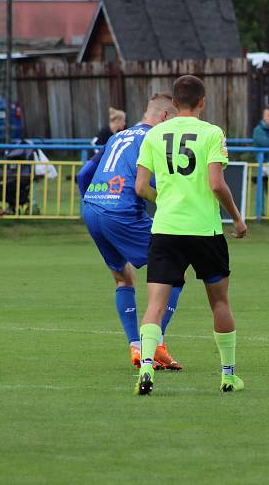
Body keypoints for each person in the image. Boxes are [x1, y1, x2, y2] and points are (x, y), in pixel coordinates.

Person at [133, 75, 247, 396]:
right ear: (202, 102)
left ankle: (145, 367)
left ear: (173, 102)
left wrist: (166, 201)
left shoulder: (154, 134)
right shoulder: (212, 132)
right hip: (205, 230)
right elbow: (215, 183)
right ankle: (227, 375)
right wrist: (237, 219)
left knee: (155, 303)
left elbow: (140, 187)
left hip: (166, 229)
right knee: (220, 302)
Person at [76, 94, 183, 370]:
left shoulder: (118, 136)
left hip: (92, 207)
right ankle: (156, 343)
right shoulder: (154, 140)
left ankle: (136, 346)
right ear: (164, 118)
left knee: (123, 279)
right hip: (121, 212)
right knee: (175, 267)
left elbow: (83, 174)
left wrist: (93, 202)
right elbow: (151, 185)